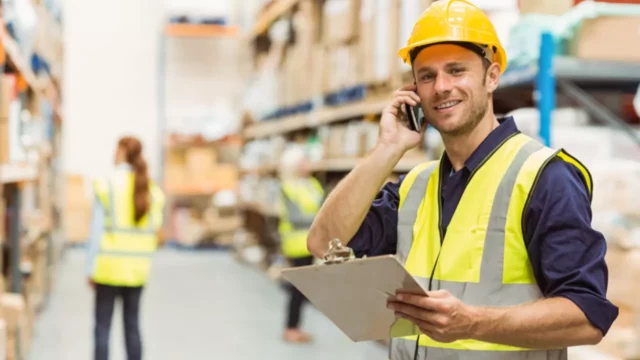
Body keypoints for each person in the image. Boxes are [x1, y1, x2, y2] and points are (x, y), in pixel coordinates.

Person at [307, 1, 618, 359]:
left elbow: (587, 317)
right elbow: (322, 242)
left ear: (492, 77)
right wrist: (387, 148)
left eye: (457, 70)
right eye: (427, 75)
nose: (441, 87)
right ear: (415, 93)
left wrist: (473, 323)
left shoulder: (542, 176)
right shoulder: (415, 186)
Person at [86, 136, 166, 360]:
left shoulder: (107, 184)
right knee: (132, 326)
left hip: (108, 269)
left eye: (115, 149)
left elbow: (96, 231)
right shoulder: (152, 190)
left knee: (102, 327)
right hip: (137, 271)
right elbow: (157, 232)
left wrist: (89, 267)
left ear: (121, 152)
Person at [278, 144, 325, 344]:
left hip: (313, 243)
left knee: (304, 288)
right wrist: (320, 218)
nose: (308, 164)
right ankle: (291, 328)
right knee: (297, 289)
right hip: (296, 245)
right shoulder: (288, 187)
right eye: (304, 161)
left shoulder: (314, 184)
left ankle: (295, 327)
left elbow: (325, 206)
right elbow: (297, 217)